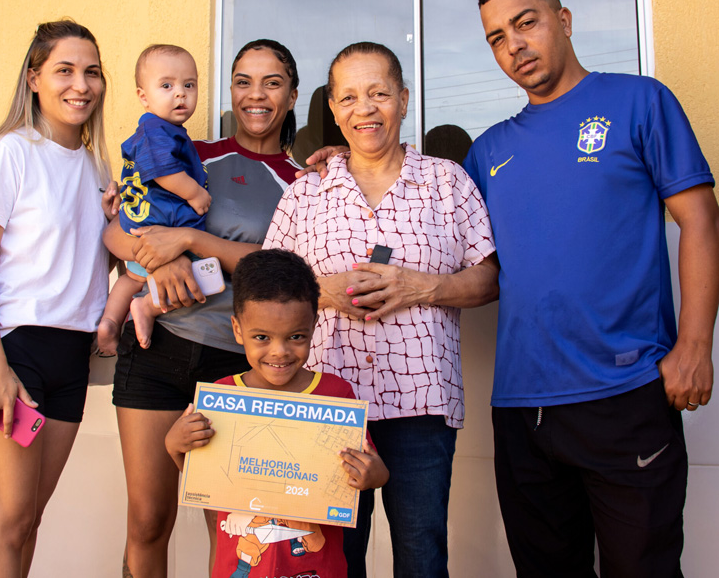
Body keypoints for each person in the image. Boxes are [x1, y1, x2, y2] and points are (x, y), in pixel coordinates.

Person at [464, 0, 719, 577]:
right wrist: (354, 160)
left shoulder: (639, 102)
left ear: (565, 19)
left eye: (526, 23)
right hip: (522, 408)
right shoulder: (489, 150)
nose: (514, 46)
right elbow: (440, 236)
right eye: (497, 38)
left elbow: (701, 220)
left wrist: (695, 344)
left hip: (624, 394)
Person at [264, 41, 499, 578]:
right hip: (323, 405)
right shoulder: (305, 194)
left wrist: (422, 288)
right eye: (348, 97)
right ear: (333, 110)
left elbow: (489, 278)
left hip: (420, 408)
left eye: (378, 93)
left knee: (421, 557)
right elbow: (269, 288)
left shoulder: (448, 182)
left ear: (404, 99)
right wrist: (323, 290)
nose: (364, 109)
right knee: (330, 562)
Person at [102, 39, 302, 577]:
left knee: (234, 530)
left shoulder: (303, 182)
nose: (255, 95)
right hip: (155, 349)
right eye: (242, 81)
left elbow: (277, 267)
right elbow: (117, 234)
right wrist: (158, 259)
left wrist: (186, 244)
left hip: (234, 367)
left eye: (272, 82)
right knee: (148, 521)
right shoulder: (190, 156)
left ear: (292, 95)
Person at [0, 20, 117, 577]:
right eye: (64, 70)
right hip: (12, 350)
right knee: (7, 522)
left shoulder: (99, 168)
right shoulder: (10, 152)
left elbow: (103, 260)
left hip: (69, 359)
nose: (81, 85)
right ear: (34, 79)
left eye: (91, 72)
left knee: (30, 522)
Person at [165, 249, 389, 578]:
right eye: (261, 337)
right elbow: (206, 480)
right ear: (238, 330)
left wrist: (375, 474)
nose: (279, 351)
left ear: (314, 325)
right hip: (241, 567)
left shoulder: (336, 396)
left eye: (295, 337)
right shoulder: (222, 397)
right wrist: (174, 444)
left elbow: (372, 474)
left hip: (316, 568)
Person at [97, 44, 210, 354]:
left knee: (132, 276)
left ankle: (110, 320)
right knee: (204, 274)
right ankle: (148, 306)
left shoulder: (159, 129)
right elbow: (164, 171)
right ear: (143, 97)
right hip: (160, 227)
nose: (180, 94)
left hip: (141, 224)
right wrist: (195, 193)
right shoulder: (158, 130)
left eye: (189, 85)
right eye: (167, 86)